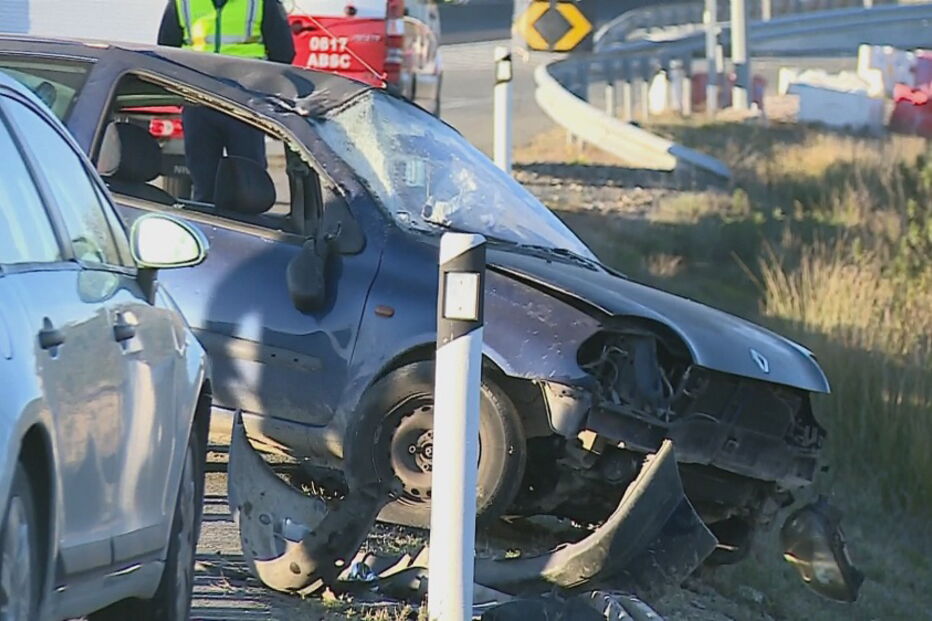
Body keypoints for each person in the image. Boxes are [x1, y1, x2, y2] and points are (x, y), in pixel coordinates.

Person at [157, 0, 295, 202]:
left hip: (243, 107)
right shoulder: (182, 3)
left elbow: (283, 53)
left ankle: (244, 221)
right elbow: (166, 52)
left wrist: (261, 89)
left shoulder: (260, 3)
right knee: (207, 186)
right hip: (200, 103)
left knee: (248, 186)